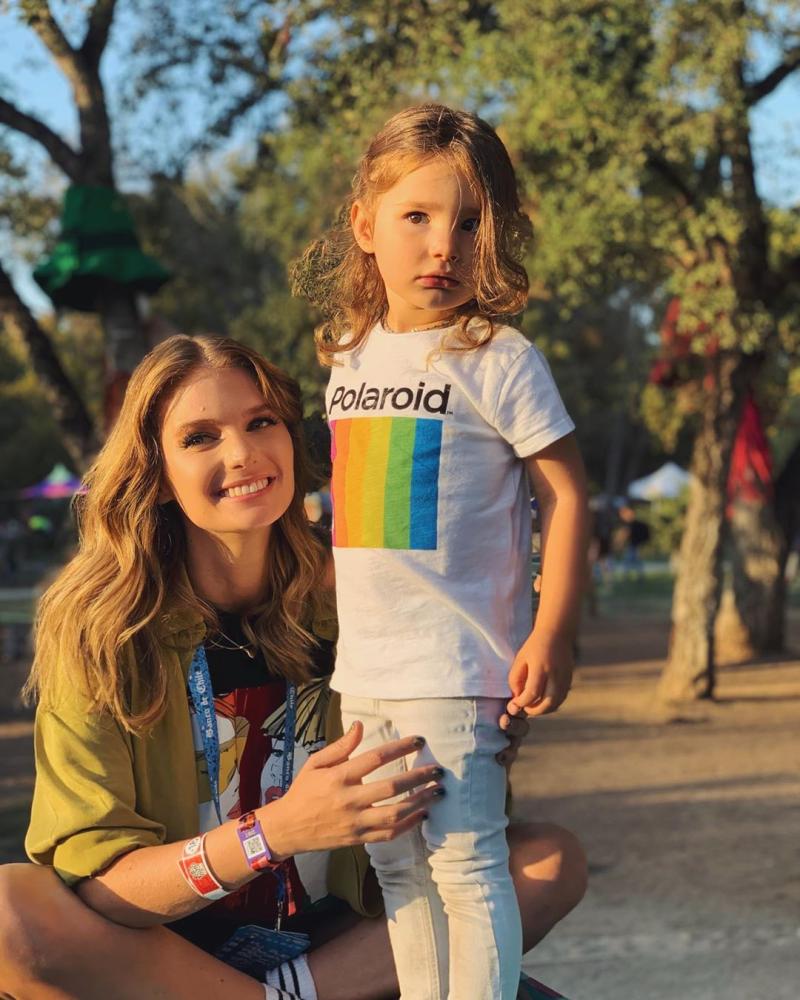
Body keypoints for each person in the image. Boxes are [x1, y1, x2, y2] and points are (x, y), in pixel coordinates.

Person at [0, 335, 587, 1000]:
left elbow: (448, 826)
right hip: (166, 953)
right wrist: (276, 832)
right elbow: (102, 885)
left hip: (334, 945)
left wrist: (474, 735)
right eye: (200, 437)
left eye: (261, 423)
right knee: (11, 915)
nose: (242, 453)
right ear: (157, 472)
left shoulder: (367, 591)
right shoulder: (100, 627)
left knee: (546, 861)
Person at [295, 106, 588, 999]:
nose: (443, 246)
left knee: (466, 862)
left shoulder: (500, 357)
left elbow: (566, 494)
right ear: (364, 225)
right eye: (416, 216)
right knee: (396, 869)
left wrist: (554, 631)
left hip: (457, 667)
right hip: (364, 671)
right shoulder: (348, 356)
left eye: (469, 223)